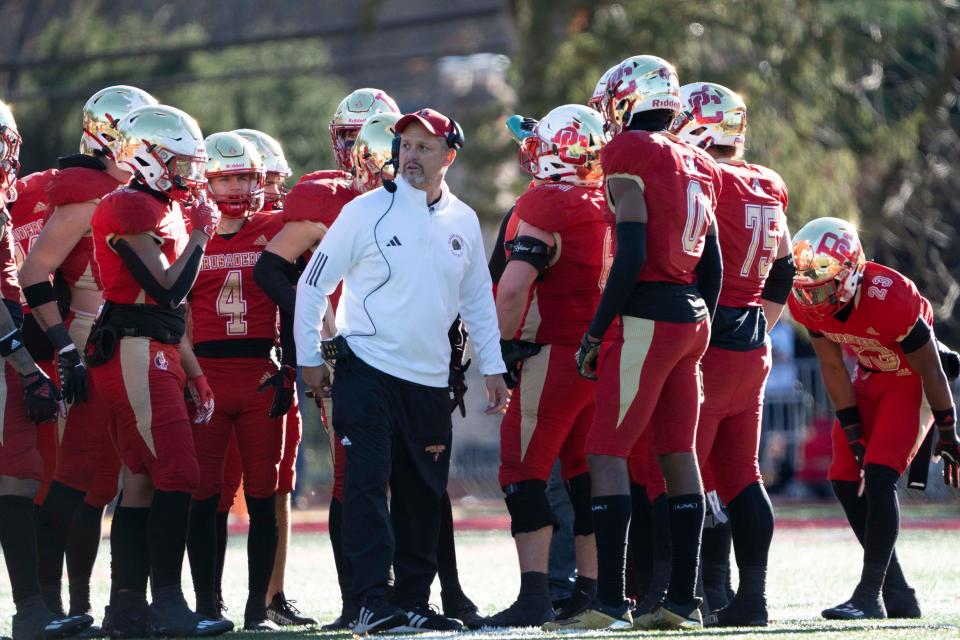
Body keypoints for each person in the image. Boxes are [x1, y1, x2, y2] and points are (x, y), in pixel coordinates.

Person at [295, 107, 508, 634]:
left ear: (449, 157)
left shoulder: (462, 220)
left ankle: (413, 600)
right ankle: (371, 601)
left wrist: (495, 368)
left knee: (422, 497)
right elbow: (311, 285)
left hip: (432, 383)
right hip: (365, 371)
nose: (410, 155)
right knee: (367, 487)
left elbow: (478, 301)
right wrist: (309, 356)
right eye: (405, 146)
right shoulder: (364, 211)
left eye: (423, 147)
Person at [549, 54, 723, 631]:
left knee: (606, 451)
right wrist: (698, 323)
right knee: (677, 455)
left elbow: (630, 249)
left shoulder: (628, 151)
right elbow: (714, 266)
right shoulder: (699, 161)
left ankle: (609, 599)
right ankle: (682, 599)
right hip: (692, 315)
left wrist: (597, 331)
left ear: (624, 99)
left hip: (647, 313)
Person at [252, 89, 399, 628]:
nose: (360, 149)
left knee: (404, 477)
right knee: (352, 477)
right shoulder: (323, 197)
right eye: (348, 137)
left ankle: (414, 595)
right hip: (350, 355)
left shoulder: (421, 197)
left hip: (405, 353)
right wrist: (316, 331)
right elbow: (275, 270)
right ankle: (357, 599)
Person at [87, 104, 233, 637]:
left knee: (145, 480)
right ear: (148, 157)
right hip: (134, 350)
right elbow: (169, 288)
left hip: (156, 347)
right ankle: (168, 605)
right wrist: (200, 236)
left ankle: (126, 612)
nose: (188, 175)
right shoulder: (127, 206)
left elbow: (169, 309)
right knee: (179, 473)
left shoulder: (157, 206)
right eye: (178, 163)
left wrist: (193, 371)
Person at [20, 85, 156, 625]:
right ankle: (57, 604)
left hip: (137, 340)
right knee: (76, 479)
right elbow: (35, 271)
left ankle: (106, 602)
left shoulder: (132, 193)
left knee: (113, 482)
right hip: (90, 339)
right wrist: (65, 351)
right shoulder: (87, 193)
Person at [787, 217, 959, 620]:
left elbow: (932, 371)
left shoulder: (890, 295)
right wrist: (851, 429)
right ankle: (895, 591)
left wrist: (947, 432)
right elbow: (831, 368)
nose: (815, 300)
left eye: (825, 287)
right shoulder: (808, 303)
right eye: (809, 289)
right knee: (845, 478)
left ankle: (868, 594)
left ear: (850, 274)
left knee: (881, 477)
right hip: (867, 378)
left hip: (910, 382)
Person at [671, 82, 794, 626]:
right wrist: (761, 323)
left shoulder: (705, 176)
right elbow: (786, 267)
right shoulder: (769, 181)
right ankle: (751, 598)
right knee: (742, 474)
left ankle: (684, 594)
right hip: (750, 344)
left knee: (682, 470)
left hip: (708, 342)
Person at [483, 104, 611, 628]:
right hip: (599, 357)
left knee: (522, 471)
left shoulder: (545, 203)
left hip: (553, 355)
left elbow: (513, 288)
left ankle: (535, 594)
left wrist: (501, 348)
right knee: (583, 477)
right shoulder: (607, 198)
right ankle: (590, 590)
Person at [183, 131, 290, 631]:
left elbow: (303, 295)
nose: (236, 186)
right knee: (207, 496)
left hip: (259, 375)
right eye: (225, 177)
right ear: (205, 181)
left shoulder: (276, 227)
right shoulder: (188, 233)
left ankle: (256, 609)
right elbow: (175, 314)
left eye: (245, 175)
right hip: (205, 375)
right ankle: (208, 605)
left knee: (264, 494)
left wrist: (290, 366)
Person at [0, 97, 96, 640]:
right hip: (8, 350)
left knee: (24, 472)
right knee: (17, 474)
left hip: (12, 348)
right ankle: (30, 610)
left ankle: (34, 608)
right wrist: (24, 361)